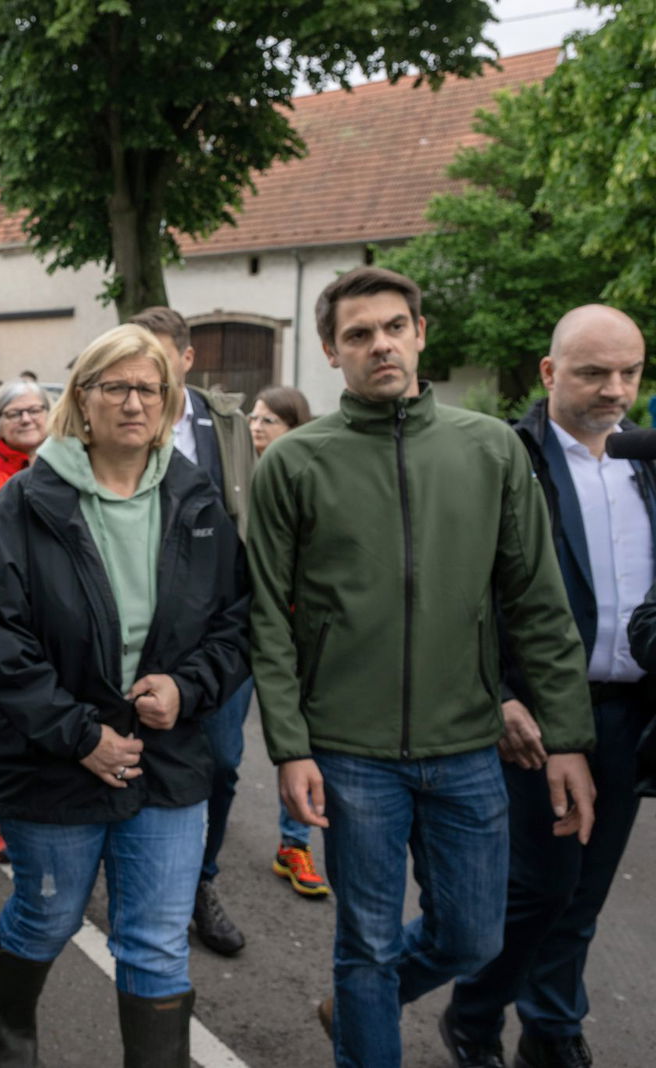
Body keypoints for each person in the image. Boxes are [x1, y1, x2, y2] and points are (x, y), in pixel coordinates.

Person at [247, 266, 598, 1068]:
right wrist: (290, 746)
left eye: (394, 327)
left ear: (421, 333)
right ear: (332, 351)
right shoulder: (295, 464)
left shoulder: (491, 451)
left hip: (466, 745)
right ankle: (364, 1023)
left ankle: (355, 1006)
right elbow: (267, 616)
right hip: (348, 749)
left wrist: (568, 737)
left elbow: (537, 603)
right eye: (360, 334)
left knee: (472, 934)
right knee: (365, 943)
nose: (381, 345)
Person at [0, 323, 247, 1067]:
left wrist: (188, 689)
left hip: (168, 755)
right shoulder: (26, 505)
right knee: (48, 915)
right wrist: (80, 735)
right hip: (53, 760)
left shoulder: (197, 501)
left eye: (147, 388)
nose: (132, 402)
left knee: (155, 942)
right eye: (113, 387)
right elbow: (0, 641)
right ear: (81, 401)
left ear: (168, 400)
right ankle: (11, 1025)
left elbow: (234, 623)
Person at [444, 305, 652, 1068]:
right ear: (549, 372)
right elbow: (463, 592)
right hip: (532, 715)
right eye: (594, 372)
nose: (615, 390)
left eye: (629, 372)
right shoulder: (503, 457)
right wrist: (498, 693)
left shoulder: (645, 459)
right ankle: (473, 1014)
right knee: (539, 887)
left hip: (630, 712)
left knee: (585, 891)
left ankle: (552, 1029)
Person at [128, 305, 257, 957]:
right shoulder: (114, 422)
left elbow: (249, 518)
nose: (144, 377)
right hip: (139, 629)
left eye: (158, 358)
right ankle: (148, 881)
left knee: (225, 762)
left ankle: (200, 883)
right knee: (137, 752)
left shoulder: (225, 422)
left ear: (186, 359)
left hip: (219, 633)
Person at [242, 385, 329, 898]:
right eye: (254, 418)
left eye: (269, 420)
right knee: (223, 754)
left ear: (295, 428)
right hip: (234, 632)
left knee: (299, 743)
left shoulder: (310, 479)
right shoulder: (233, 477)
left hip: (291, 634)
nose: (257, 427)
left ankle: (294, 843)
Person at [0, 380, 53, 865]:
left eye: (34, 410)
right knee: (1, 726)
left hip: (55, 624)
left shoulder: (71, 470)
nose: (26, 419)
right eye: (14, 412)